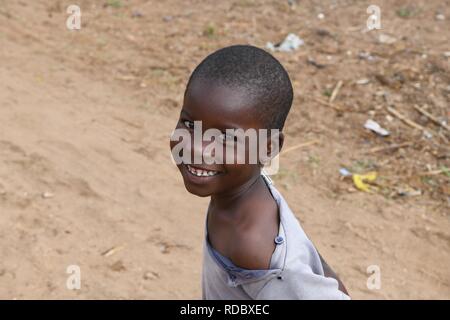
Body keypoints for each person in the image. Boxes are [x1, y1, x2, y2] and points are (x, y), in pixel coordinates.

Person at [169, 45, 350, 299]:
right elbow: (325, 277)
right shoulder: (243, 194)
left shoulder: (253, 247)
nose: (198, 148)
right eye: (189, 124)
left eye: (228, 138)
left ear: (269, 148)